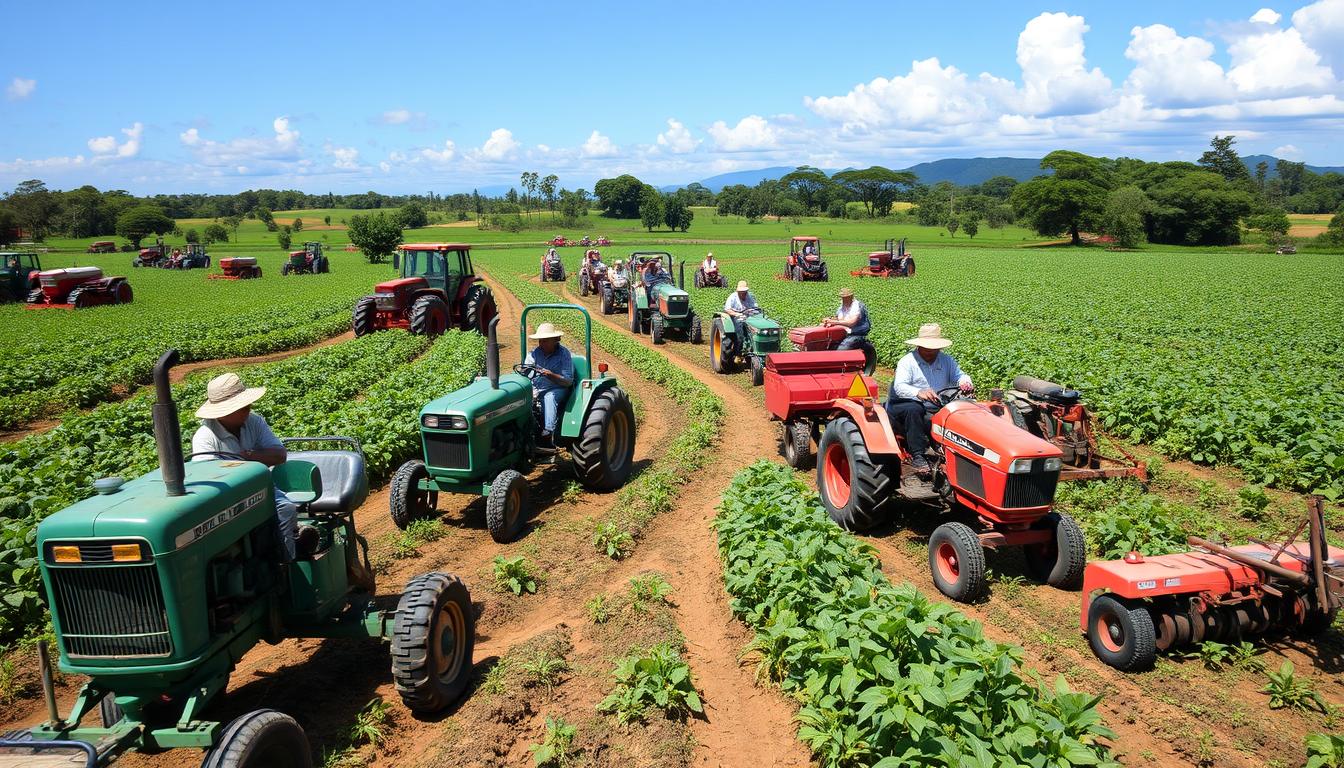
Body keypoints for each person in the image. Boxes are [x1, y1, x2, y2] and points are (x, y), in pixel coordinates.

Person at [191, 373, 298, 559]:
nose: (248, 407)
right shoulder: (205, 437)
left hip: (261, 489)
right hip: (227, 500)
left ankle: (286, 563)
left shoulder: (254, 421)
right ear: (222, 412)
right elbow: (208, 480)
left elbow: (279, 455)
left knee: (286, 509)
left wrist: (249, 456)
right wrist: (253, 463)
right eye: (240, 406)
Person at [885, 323, 973, 477]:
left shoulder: (946, 360)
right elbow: (899, 387)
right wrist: (919, 392)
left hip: (936, 405)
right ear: (919, 345)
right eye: (927, 347)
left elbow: (960, 375)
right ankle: (918, 455)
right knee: (915, 409)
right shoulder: (908, 362)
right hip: (903, 405)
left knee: (961, 411)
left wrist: (965, 382)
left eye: (934, 348)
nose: (930, 351)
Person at [527, 322, 575, 449]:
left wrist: (550, 375)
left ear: (555, 340)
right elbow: (526, 373)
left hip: (558, 388)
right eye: (540, 341)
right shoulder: (533, 354)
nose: (541, 344)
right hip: (536, 388)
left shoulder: (564, 354)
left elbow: (568, 381)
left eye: (545, 341)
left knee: (549, 397)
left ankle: (548, 433)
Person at [823, 287, 870, 352]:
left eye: (846, 297)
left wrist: (834, 322)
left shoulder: (857, 306)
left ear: (851, 297)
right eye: (843, 297)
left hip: (856, 333)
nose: (844, 299)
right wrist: (829, 320)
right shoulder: (842, 307)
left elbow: (851, 323)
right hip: (843, 333)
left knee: (841, 350)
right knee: (826, 346)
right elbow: (838, 318)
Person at [722, 280, 758, 353]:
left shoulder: (750, 296)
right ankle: (738, 351)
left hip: (748, 315)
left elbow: (755, 307)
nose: (743, 294)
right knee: (740, 330)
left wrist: (753, 312)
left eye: (744, 292)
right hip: (735, 315)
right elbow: (727, 309)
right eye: (741, 292)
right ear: (738, 291)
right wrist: (737, 314)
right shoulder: (732, 297)